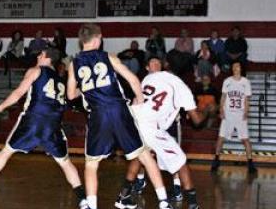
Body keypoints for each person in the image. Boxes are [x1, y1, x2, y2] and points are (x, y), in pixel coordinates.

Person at [67, 23, 171, 209]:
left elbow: (70, 95)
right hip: (118, 110)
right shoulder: (108, 57)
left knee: (91, 164)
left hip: (98, 114)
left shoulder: (74, 64)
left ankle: (91, 205)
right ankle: (164, 202)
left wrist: (85, 91)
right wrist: (139, 99)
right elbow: (132, 79)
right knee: (145, 156)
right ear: (98, 38)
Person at [0, 48, 89, 209]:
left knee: (6, 151)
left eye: (40, 54)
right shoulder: (61, 80)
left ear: (46, 57)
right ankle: (83, 199)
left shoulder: (36, 70)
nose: (37, 56)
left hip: (33, 119)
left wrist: (2, 106)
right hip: (53, 124)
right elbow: (73, 96)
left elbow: (19, 92)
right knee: (65, 163)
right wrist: (87, 87)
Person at [130, 56, 206, 209]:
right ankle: (139, 185)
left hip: (163, 124)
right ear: (147, 67)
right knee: (148, 156)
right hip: (151, 125)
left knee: (151, 156)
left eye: (158, 63)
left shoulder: (160, 81)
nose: (156, 64)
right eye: (152, 62)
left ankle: (174, 188)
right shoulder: (145, 81)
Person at [211, 61, 257, 173]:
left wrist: (246, 112)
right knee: (221, 138)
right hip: (228, 114)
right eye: (234, 66)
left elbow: (246, 99)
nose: (236, 68)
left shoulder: (246, 82)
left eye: (237, 66)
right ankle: (216, 160)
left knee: (245, 139)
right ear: (232, 69)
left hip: (240, 114)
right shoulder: (227, 81)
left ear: (241, 68)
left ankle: (250, 162)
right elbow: (223, 97)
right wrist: (221, 109)